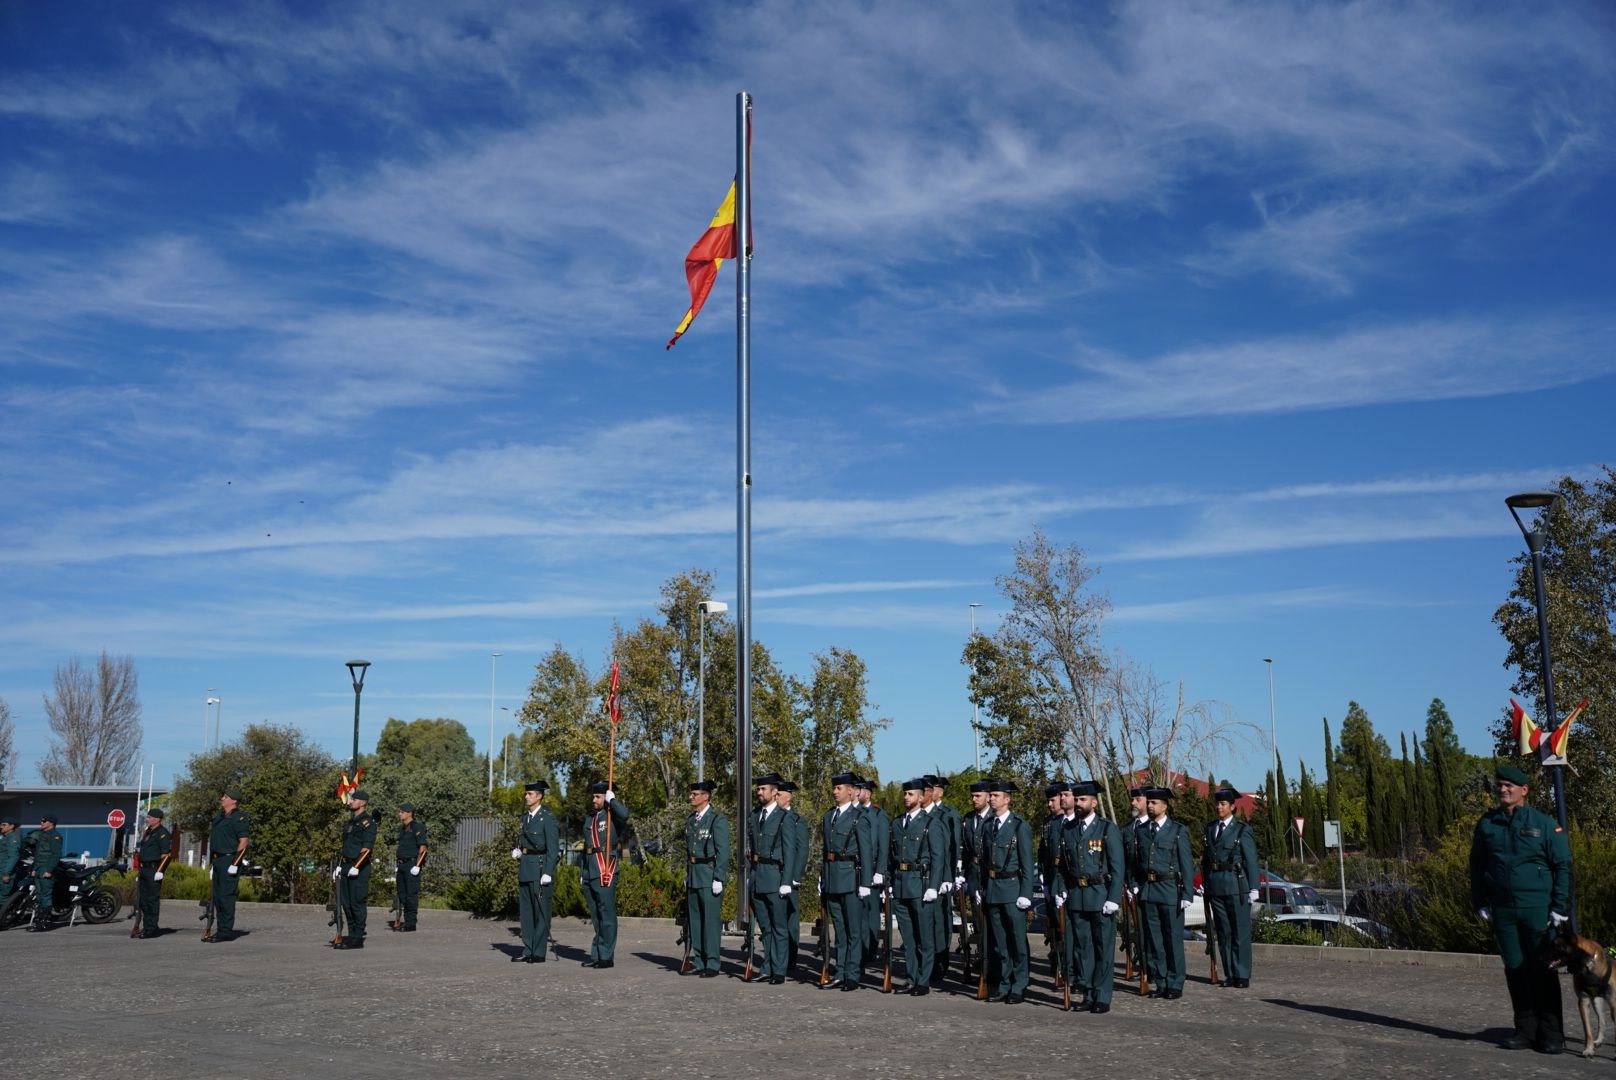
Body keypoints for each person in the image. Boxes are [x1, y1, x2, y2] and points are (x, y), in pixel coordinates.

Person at [1469, 763, 1573, 1054]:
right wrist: (1480, 902)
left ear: (1523, 790)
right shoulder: (1488, 824)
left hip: (1537, 909)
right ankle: (1525, 1030)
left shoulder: (1543, 824)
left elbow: (1562, 865)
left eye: (1509, 786)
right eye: (1499, 785)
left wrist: (1559, 907)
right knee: (1515, 969)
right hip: (1503, 911)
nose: (1502, 789)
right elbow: (1477, 865)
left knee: (1543, 969)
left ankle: (1552, 1034)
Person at [1055, 780, 1125, 1013]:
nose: (1078, 803)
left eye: (1082, 799)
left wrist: (1114, 898)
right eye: (1076, 799)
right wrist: (1062, 888)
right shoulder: (1069, 828)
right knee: (1082, 949)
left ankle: (1102, 995)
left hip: (1100, 895)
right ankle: (1087, 992)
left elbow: (1117, 867)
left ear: (1094, 802)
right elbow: (1064, 865)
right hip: (1077, 896)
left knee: (1102, 948)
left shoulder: (1106, 828)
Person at [1130, 786, 1193, 999]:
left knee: (1172, 939)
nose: (1149, 806)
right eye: (1148, 802)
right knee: (1155, 941)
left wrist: (1187, 894)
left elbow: (1186, 864)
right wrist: (1136, 883)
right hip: (1149, 890)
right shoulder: (1141, 830)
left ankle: (1175, 982)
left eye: (1154, 803)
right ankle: (1161, 981)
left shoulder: (1177, 830)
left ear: (1164, 806)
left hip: (1169, 891)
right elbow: (1136, 862)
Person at [980, 779, 1035, 1003]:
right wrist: (983, 887)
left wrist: (1026, 893)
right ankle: (1004, 984)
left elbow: (1027, 863)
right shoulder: (987, 825)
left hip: (1013, 889)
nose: (991, 798)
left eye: (996, 795)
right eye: (990, 795)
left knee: (1017, 941)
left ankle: (1019, 984)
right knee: (1000, 943)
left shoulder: (1019, 826)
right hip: (993, 889)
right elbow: (984, 860)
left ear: (1007, 799)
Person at [890, 778, 945, 994]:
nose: (906, 798)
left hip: (920, 884)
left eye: (911, 794)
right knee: (908, 938)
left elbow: (938, 857)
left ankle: (923, 980)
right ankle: (911, 978)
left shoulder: (931, 823)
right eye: (905, 794)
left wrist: (934, 885)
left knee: (924, 937)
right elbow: (891, 856)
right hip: (901, 884)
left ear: (922, 797)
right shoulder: (896, 823)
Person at [1201, 788, 1259, 988]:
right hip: (1216, 886)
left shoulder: (1242, 829)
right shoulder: (1210, 829)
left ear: (1232, 807)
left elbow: (1251, 859)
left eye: (1223, 804)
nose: (1219, 807)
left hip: (1236, 885)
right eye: (1217, 804)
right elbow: (1206, 859)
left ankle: (1242, 974)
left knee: (1239, 932)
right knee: (1224, 933)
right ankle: (1230, 973)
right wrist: (1205, 883)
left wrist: (1254, 887)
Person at [821, 771, 873, 990]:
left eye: (839, 788)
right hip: (832, 878)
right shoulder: (828, 817)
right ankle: (840, 971)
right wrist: (822, 878)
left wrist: (865, 883)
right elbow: (825, 850)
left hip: (851, 877)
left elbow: (866, 851)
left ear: (850, 790)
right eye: (834, 788)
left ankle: (852, 974)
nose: (835, 792)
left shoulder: (859, 817)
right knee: (839, 931)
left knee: (853, 931)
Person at [748, 773, 800, 983]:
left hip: (776, 878)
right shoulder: (754, 816)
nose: (759, 793)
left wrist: (787, 881)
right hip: (758, 877)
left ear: (774, 792)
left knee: (779, 927)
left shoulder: (785, 818)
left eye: (763, 789)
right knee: (766, 927)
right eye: (758, 789)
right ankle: (767, 967)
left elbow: (790, 852)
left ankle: (779, 969)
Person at [581, 781, 630, 968]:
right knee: (596, 916)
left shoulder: (613, 816)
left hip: (605, 869)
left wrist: (613, 801)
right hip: (590, 870)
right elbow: (586, 847)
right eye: (594, 796)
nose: (594, 800)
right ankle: (597, 954)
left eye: (598, 797)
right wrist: (582, 871)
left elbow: (625, 815)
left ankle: (606, 956)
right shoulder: (591, 819)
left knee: (606, 914)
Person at [684, 779, 730, 978]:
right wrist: (688, 874)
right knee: (696, 921)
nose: (691, 797)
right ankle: (699, 960)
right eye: (691, 794)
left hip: (709, 875)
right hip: (695, 874)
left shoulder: (716, 820)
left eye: (695, 794)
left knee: (710, 922)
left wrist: (719, 877)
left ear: (706, 796)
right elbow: (688, 851)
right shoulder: (691, 820)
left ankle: (712, 962)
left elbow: (723, 851)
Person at [511, 780, 559, 964]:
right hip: (525, 867)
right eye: (526, 794)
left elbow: (553, 848)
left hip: (540, 868)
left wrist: (548, 871)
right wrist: (519, 852)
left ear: (539, 796)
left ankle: (538, 952)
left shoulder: (547, 817)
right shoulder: (524, 818)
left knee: (541, 912)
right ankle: (528, 949)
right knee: (526, 912)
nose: (526, 796)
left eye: (530, 794)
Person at [924, 775, 962, 983]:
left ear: (940, 791)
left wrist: (951, 875)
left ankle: (941, 959)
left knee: (940, 920)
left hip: (942, 873)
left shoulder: (948, 814)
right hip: (923, 874)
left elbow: (953, 847)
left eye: (933, 788)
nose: (929, 791)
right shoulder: (921, 814)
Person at [1038, 781, 1072, 993]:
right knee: (1054, 931)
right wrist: (1043, 876)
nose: (1050, 804)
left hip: (1065, 884)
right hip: (1051, 881)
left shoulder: (1069, 821)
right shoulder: (1049, 822)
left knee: (1068, 932)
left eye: (1053, 800)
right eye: (1048, 800)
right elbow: (1044, 852)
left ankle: (1070, 971)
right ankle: (1058, 966)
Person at [959, 779, 993, 984]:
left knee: (993, 922)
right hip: (973, 874)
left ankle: (992, 961)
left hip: (988, 875)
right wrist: (961, 873)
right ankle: (981, 958)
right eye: (972, 796)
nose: (974, 799)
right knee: (978, 922)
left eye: (978, 796)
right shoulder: (968, 819)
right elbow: (965, 848)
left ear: (988, 797)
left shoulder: (991, 818)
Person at [334, 789, 377, 949]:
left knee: (357, 903)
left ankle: (358, 938)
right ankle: (351, 935)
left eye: (354, 799)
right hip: (345, 865)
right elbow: (346, 846)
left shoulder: (368, 823)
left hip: (359, 867)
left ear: (363, 802)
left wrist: (356, 866)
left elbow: (367, 848)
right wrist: (339, 866)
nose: (350, 801)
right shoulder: (351, 823)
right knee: (346, 903)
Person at [205, 791, 251, 943]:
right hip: (218, 861)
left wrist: (235, 863)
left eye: (225, 797)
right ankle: (220, 929)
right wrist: (213, 863)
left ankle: (225, 932)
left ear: (233, 800)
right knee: (218, 898)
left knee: (226, 897)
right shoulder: (219, 818)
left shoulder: (239, 817)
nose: (222, 799)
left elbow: (243, 842)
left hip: (229, 860)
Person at [856, 777, 890, 969]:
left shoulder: (878, 815)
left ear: (868, 793)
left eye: (860, 790)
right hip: (857, 870)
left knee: (871, 914)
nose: (857, 792)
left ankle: (870, 949)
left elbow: (883, 845)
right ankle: (860, 948)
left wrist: (880, 871)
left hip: (873, 870)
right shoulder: (855, 813)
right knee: (858, 914)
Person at [776, 779, 809, 971]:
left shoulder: (797, 820)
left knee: (790, 918)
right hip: (775, 875)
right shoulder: (772, 817)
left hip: (790, 878)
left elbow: (802, 849)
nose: (776, 797)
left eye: (779, 794)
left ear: (788, 797)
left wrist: (795, 876)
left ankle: (791, 958)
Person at [134, 809, 172, 939]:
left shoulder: (163, 834)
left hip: (153, 870)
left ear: (157, 819)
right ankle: (148, 926)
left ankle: (152, 929)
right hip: (144, 870)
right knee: (143, 900)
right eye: (147, 817)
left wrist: (160, 871)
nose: (147, 819)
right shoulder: (148, 832)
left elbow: (166, 855)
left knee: (152, 900)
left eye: (149, 817)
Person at [393, 803, 428, 932]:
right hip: (402, 865)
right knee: (402, 894)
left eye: (401, 812)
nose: (399, 814)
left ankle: (410, 923)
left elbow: (423, 848)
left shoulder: (417, 827)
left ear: (409, 813)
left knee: (410, 895)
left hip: (412, 864)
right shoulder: (403, 828)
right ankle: (406, 920)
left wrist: (418, 865)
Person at [26, 813, 64, 930]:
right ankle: (38, 921)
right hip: (38, 868)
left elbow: (56, 854)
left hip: (46, 868)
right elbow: (38, 855)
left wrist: (49, 870)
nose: (41, 823)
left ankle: (43, 923)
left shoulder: (55, 836)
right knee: (39, 895)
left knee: (45, 895)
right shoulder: (43, 835)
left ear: (51, 823)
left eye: (44, 821)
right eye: (41, 821)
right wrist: (34, 869)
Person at [0, 817, 21, 901]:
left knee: (2, 897)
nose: (1, 826)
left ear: (11, 826)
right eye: (1, 824)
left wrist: (6, 873)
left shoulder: (13, 838)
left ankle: (4, 914)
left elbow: (13, 857)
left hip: (4, 871)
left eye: (4, 825)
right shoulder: (5, 837)